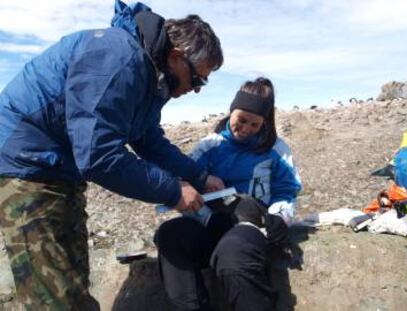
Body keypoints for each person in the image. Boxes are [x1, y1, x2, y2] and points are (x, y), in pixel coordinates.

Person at [0, 0, 224, 309]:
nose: (197, 89)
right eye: (197, 79)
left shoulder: (150, 77)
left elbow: (148, 140)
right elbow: (98, 155)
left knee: (74, 282)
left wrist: (199, 178)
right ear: (176, 57)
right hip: (27, 166)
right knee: (50, 298)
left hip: (61, 168)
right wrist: (173, 191)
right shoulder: (119, 60)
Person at [155, 77, 302, 311]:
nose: (245, 129)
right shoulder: (209, 146)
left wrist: (280, 217)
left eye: (255, 125)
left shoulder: (277, 150)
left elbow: (286, 190)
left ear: (265, 122)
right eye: (241, 120)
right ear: (231, 111)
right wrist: (205, 216)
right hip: (211, 223)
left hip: (251, 227)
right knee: (170, 234)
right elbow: (184, 180)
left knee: (233, 254)